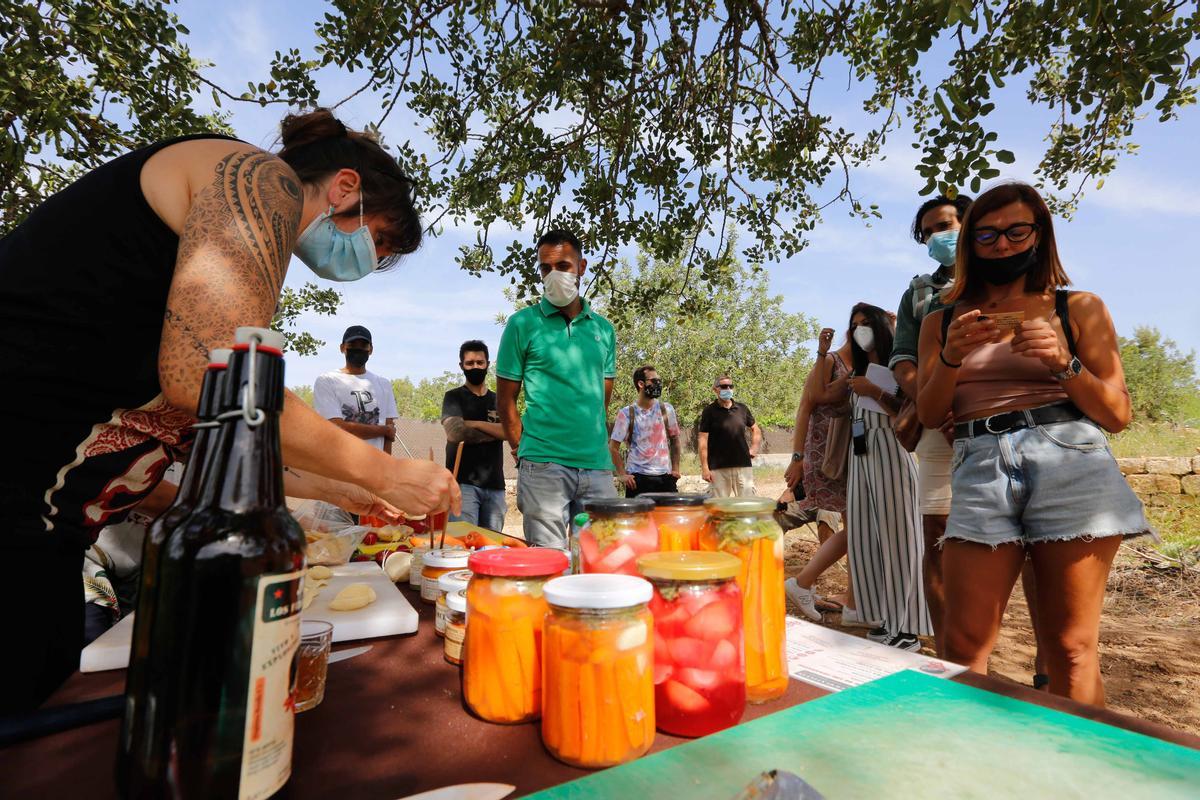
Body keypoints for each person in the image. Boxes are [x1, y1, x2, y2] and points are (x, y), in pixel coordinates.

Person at [0, 108, 459, 713]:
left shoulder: (204, 260)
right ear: (346, 187)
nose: (369, 262)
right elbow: (209, 375)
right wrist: (385, 473)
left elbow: (211, 430)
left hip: (45, 533)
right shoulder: (259, 176)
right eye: (378, 240)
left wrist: (342, 488)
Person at [917, 181, 1149, 706]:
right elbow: (931, 414)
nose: (1002, 245)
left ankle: (1081, 775)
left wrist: (1063, 363)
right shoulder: (942, 320)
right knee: (961, 646)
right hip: (979, 465)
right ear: (970, 244)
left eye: (1016, 231)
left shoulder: (1080, 307)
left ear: (1039, 235)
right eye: (987, 235)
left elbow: (1116, 414)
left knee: (1069, 648)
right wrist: (951, 356)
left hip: (1070, 458)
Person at [496, 230, 618, 547]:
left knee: (599, 564)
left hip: (598, 466)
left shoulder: (604, 330)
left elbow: (601, 399)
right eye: (545, 268)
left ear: (582, 267)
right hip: (542, 465)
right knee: (547, 565)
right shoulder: (521, 324)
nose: (554, 275)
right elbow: (505, 399)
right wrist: (522, 451)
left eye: (563, 266)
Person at [845, 303, 931, 651]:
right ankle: (885, 618)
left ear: (880, 325)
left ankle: (908, 626)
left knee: (900, 539)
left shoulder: (900, 365)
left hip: (893, 453)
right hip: (862, 454)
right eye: (854, 325)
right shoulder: (860, 368)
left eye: (865, 323)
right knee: (867, 538)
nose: (859, 330)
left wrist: (874, 392)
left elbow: (919, 408)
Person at [782, 326, 854, 622]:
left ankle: (853, 597)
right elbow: (806, 407)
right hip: (828, 456)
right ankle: (803, 583)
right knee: (850, 525)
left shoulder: (867, 365)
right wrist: (797, 458)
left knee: (856, 526)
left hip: (852, 454)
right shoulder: (829, 362)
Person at [441, 340, 507, 531]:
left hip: (495, 485)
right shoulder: (454, 397)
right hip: (463, 485)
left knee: (491, 547)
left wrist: (475, 423)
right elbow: (455, 433)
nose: (475, 367)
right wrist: (498, 431)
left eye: (480, 362)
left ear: (488, 364)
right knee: (461, 546)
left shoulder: (499, 401)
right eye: (469, 363)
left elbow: (512, 432)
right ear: (461, 366)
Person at [314, 325, 399, 454]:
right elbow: (335, 427)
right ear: (342, 348)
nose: (358, 349)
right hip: (339, 464)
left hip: (375, 464)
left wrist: (388, 466)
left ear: (370, 350)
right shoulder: (327, 380)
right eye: (352, 344)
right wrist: (383, 430)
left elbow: (389, 434)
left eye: (363, 345)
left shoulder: (384, 384)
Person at [609, 365, 682, 497]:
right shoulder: (626, 414)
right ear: (641, 384)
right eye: (654, 381)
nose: (658, 384)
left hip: (665, 478)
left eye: (659, 380)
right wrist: (622, 474)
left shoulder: (667, 410)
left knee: (668, 517)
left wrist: (676, 469)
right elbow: (613, 448)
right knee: (639, 518)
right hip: (637, 480)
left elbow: (675, 439)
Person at [698, 375, 762, 497]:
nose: (727, 389)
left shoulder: (742, 409)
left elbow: (756, 429)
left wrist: (754, 447)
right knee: (718, 509)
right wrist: (705, 468)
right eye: (723, 386)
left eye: (730, 386)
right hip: (718, 468)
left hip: (743, 466)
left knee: (747, 506)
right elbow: (702, 439)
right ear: (715, 389)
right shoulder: (709, 411)